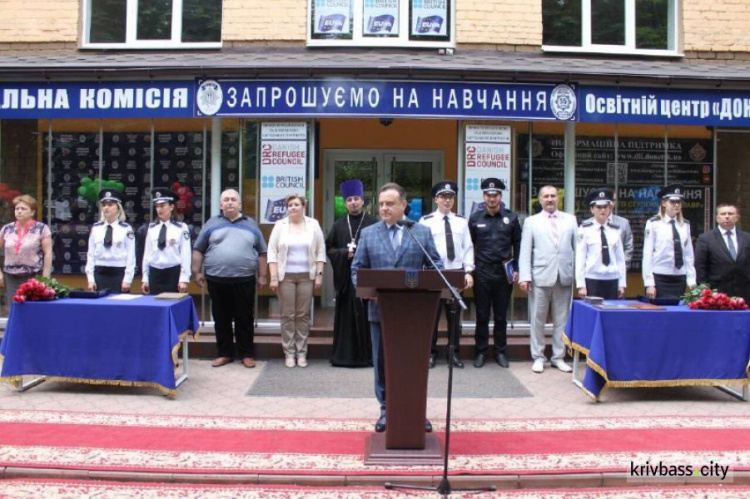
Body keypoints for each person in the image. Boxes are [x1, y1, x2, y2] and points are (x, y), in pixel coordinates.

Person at [351, 182, 443, 433]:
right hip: (380, 312)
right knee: (382, 364)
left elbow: (436, 265)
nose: (384, 208)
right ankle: (385, 410)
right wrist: (367, 291)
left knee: (414, 363)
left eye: (389, 204)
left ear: (404, 205)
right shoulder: (369, 233)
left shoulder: (421, 232)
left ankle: (415, 410)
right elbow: (357, 270)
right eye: (381, 204)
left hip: (415, 314)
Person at [193, 189, 268, 369]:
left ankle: (246, 354)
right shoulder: (211, 223)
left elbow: (262, 252)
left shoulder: (251, 224)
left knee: (245, 318)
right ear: (220, 205)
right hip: (217, 279)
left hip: (245, 279)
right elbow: (198, 249)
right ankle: (224, 353)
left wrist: (263, 275)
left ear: (240, 204)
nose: (229, 202)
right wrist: (196, 272)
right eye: (225, 200)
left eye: (233, 199)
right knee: (221, 317)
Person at [519, 185, 576, 374]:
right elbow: (525, 252)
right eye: (546, 196)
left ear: (558, 198)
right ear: (540, 199)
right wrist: (525, 276)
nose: (550, 199)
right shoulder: (531, 222)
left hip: (564, 275)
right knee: (537, 318)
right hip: (540, 276)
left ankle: (558, 357)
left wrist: (578, 277)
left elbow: (578, 250)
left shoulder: (570, 220)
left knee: (562, 319)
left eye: (553, 196)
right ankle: (538, 356)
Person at [267, 194, 326, 369]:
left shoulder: (313, 225)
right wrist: (274, 277)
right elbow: (272, 252)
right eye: (290, 205)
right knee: (287, 316)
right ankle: (289, 353)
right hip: (286, 277)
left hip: (306, 276)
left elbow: (320, 251)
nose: (293, 207)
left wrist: (319, 274)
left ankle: (301, 352)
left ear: (303, 207)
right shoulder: (280, 225)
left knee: (302, 316)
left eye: (296, 204)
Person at [419, 180, 474, 369]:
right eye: (443, 197)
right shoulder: (425, 222)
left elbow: (468, 248)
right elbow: (421, 250)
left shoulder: (461, 221)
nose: (447, 201)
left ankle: (454, 354)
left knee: (454, 316)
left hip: (455, 272)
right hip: (434, 273)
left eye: (450, 197)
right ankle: (430, 353)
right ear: (436, 199)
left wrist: (468, 272)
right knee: (432, 317)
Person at [468, 178, 520, 369]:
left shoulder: (511, 218)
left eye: (495, 195)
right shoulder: (475, 218)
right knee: (481, 315)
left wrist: (517, 269)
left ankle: (500, 352)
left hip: (503, 273)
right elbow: (469, 246)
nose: (492, 198)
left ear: (501, 196)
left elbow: (518, 244)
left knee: (500, 316)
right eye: (488, 195)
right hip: (481, 272)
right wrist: (470, 270)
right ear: (484, 196)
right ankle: (480, 352)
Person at [325, 179, 377, 367]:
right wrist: (344, 254)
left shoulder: (374, 223)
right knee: (346, 319)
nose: (353, 202)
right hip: (347, 281)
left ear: (363, 201)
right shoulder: (339, 225)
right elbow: (329, 248)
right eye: (349, 200)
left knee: (366, 318)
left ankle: (368, 357)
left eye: (356, 199)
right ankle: (344, 357)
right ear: (345, 203)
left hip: (366, 279)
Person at [642, 184, 696, 298]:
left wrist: (691, 280)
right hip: (660, 275)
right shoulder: (653, 223)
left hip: (679, 276)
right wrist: (649, 283)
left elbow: (688, 254)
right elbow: (647, 254)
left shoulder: (685, 224)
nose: (676, 205)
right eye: (672, 201)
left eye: (679, 202)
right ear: (663, 203)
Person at [0, 195, 53, 307]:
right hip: (11, 276)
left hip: (33, 276)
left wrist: (46, 276)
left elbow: (48, 253)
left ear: (32, 212)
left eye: (23, 209)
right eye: (17, 209)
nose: (19, 211)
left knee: (32, 309)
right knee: (14, 308)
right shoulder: (7, 229)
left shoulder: (41, 229)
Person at [576, 188, 626, 300]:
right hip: (592, 279)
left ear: (609, 208)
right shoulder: (585, 229)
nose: (602, 210)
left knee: (612, 314)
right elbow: (580, 259)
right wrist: (581, 285)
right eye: (599, 207)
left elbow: (620, 259)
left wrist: (622, 283)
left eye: (605, 207)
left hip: (612, 279)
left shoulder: (615, 230)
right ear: (592, 209)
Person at [141, 188, 192, 295]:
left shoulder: (181, 228)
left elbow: (185, 254)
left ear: (172, 206)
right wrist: (145, 277)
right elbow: (147, 254)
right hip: (155, 273)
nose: (159, 209)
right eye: (157, 206)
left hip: (173, 273)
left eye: (163, 205)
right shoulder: (152, 228)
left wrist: (184, 278)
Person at [695, 204, 750, 302]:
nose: (727, 216)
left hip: (744, 291)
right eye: (723, 214)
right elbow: (700, 266)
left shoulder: (747, 238)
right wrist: (704, 290)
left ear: (737, 218)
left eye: (731, 213)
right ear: (717, 218)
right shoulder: (706, 239)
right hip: (717, 291)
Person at [85, 189, 135, 293]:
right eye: (104, 205)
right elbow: (90, 255)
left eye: (110, 205)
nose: (106, 208)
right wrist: (90, 279)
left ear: (118, 208)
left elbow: (131, 256)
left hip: (118, 273)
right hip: (100, 273)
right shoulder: (96, 228)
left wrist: (128, 279)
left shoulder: (126, 229)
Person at [584, 189, 634, 269]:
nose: (610, 203)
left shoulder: (623, 223)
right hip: (593, 273)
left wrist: (622, 267)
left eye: (612, 200)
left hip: (615, 272)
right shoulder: (585, 226)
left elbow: (628, 247)